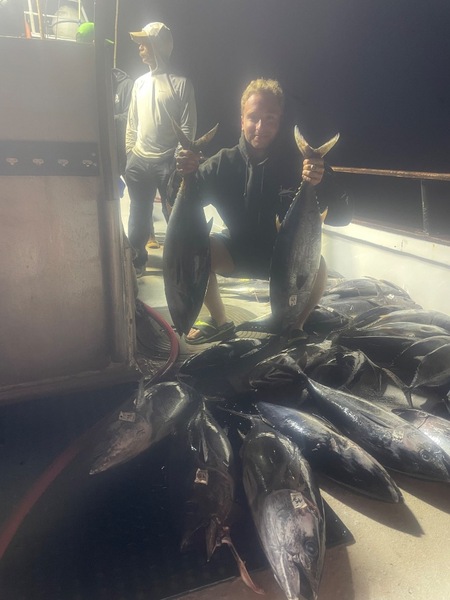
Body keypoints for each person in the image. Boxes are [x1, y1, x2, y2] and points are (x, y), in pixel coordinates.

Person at [175, 78, 353, 344]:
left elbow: (343, 216)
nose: (260, 127)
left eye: (270, 119)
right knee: (198, 249)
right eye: (253, 118)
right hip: (237, 251)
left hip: (285, 258)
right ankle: (221, 321)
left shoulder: (298, 165)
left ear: (280, 122)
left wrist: (323, 177)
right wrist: (183, 172)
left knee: (319, 265)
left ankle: (295, 326)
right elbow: (178, 204)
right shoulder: (223, 162)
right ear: (242, 120)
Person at [125, 21, 197, 277]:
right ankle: (137, 262)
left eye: (145, 43)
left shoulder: (182, 84)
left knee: (174, 217)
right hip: (139, 161)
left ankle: (179, 266)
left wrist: (178, 160)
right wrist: (130, 154)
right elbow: (132, 123)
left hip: (169, 162)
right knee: (138, 216)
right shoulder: (139, 83)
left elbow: (187, 128)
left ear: (158, 45)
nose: (140, 48)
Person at [75, 23, 133, 196]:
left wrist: (104, 119)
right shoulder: (75, 83)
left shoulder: (125, 84)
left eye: (106, 50)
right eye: (102, 49)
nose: (106, 54)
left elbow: (130, 119)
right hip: (86, 160)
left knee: (113, 199)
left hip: (115, 161)